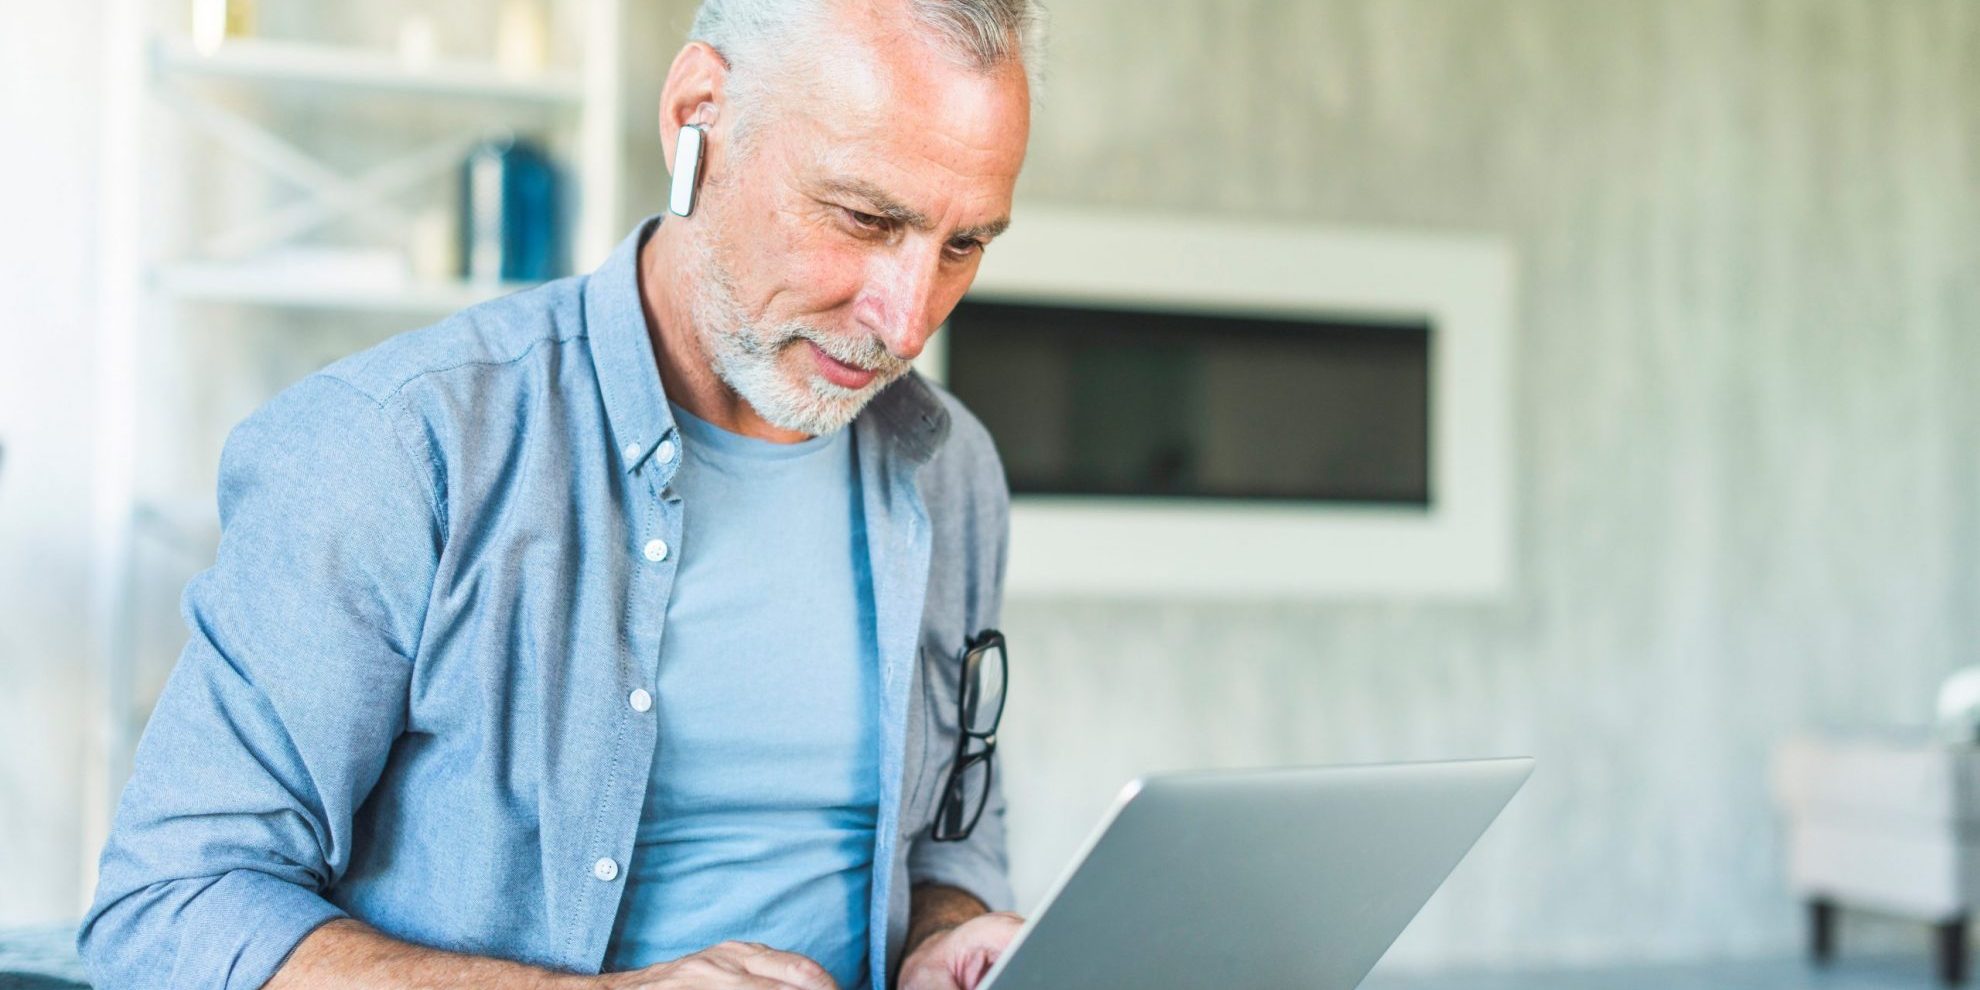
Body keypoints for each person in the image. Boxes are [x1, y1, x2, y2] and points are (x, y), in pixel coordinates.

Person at [77, 0, 1042, 987]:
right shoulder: (397, 446)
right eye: (866, 218)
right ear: (698, 112)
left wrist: (947, 932)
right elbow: (167, 911)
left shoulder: (949, 467)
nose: (909, 318)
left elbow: (944, 838)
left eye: (964, 245)